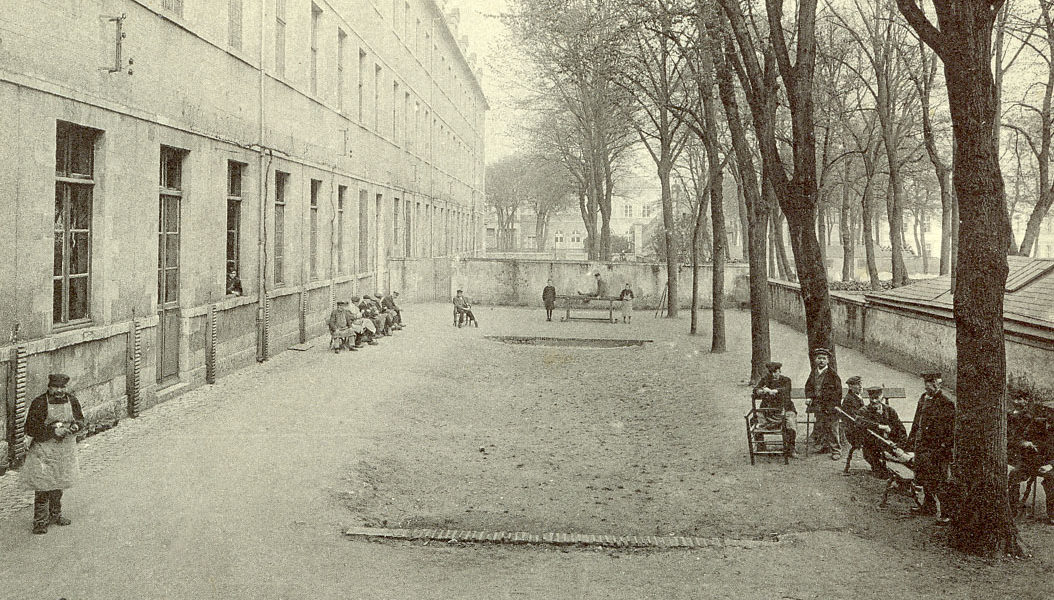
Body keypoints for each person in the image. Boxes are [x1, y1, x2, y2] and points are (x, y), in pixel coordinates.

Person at [22, 374, 86, 534]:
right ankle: (40, 522)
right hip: (43, 450)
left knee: (58, 482)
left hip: (64, 450)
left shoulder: (72, 400)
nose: (59, 391)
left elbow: (80, 419)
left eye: (62, 387)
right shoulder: (40, 402)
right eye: (56, 387)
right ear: (49, 387)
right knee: (43, 486)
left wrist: (75, 427)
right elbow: (30, 427)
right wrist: (52, 431)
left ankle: (56, 515)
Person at [906, 371, 955, 524]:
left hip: (937, 449)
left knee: (939, 480)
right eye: (926, 384)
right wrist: (911, 441)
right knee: (924, 477)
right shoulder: (923, 398)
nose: (928, 387)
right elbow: (916, 421)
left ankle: (946, 513)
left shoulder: (946, 402)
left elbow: (950, 430)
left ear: (938, 384)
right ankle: (929, 506)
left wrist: (943, 447)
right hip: (922, 446)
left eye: (932, 384)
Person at [1007, 404, 1054, 525]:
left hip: (1049, 464)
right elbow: (1021, 438)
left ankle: (1052, 514)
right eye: (1049, 412)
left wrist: (1050, 465)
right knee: (1014, 475)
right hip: (1030, 461)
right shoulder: (1037, 423)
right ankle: (1012, 510)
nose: (1050, 415)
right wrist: (1026, 443)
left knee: (1052, 479)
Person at [858, 386, 908, 476]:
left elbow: (901, 429)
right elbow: (860, 422)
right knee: (881, 471)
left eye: (876, 398)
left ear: (882, 397)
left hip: (891, 443)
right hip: (874, 444)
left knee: (905, 459)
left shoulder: (890, 410)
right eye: (871, 398)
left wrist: (899, 442)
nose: (873, 401)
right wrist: (880, 426)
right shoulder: (864, 411)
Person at [804, 347, 842, 460]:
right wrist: (809, 397)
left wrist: (834, 405)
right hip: (818, 406)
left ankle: (836, 450)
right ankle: (825, 446)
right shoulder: (814, 373)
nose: (821, 361)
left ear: (828, 361)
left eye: (824, 358)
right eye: (819, 358)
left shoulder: (832, 375)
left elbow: (838, 392)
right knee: (822, 426)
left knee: (832, 428)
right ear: (815, 360)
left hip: (830, 407)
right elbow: (809, 387)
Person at [752, 361, 797, 458]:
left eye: (776, 372)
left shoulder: (786, 380)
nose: (775, 374)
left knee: (790, 423)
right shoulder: (765, 380)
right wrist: (762, 390)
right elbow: (756, 390)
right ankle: (761, 446)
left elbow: (786, 390)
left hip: (785, 408)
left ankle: (791, 448)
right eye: (772, 372)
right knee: (755, 420)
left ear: (780, 371)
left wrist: (776, 391)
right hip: (768, 410)